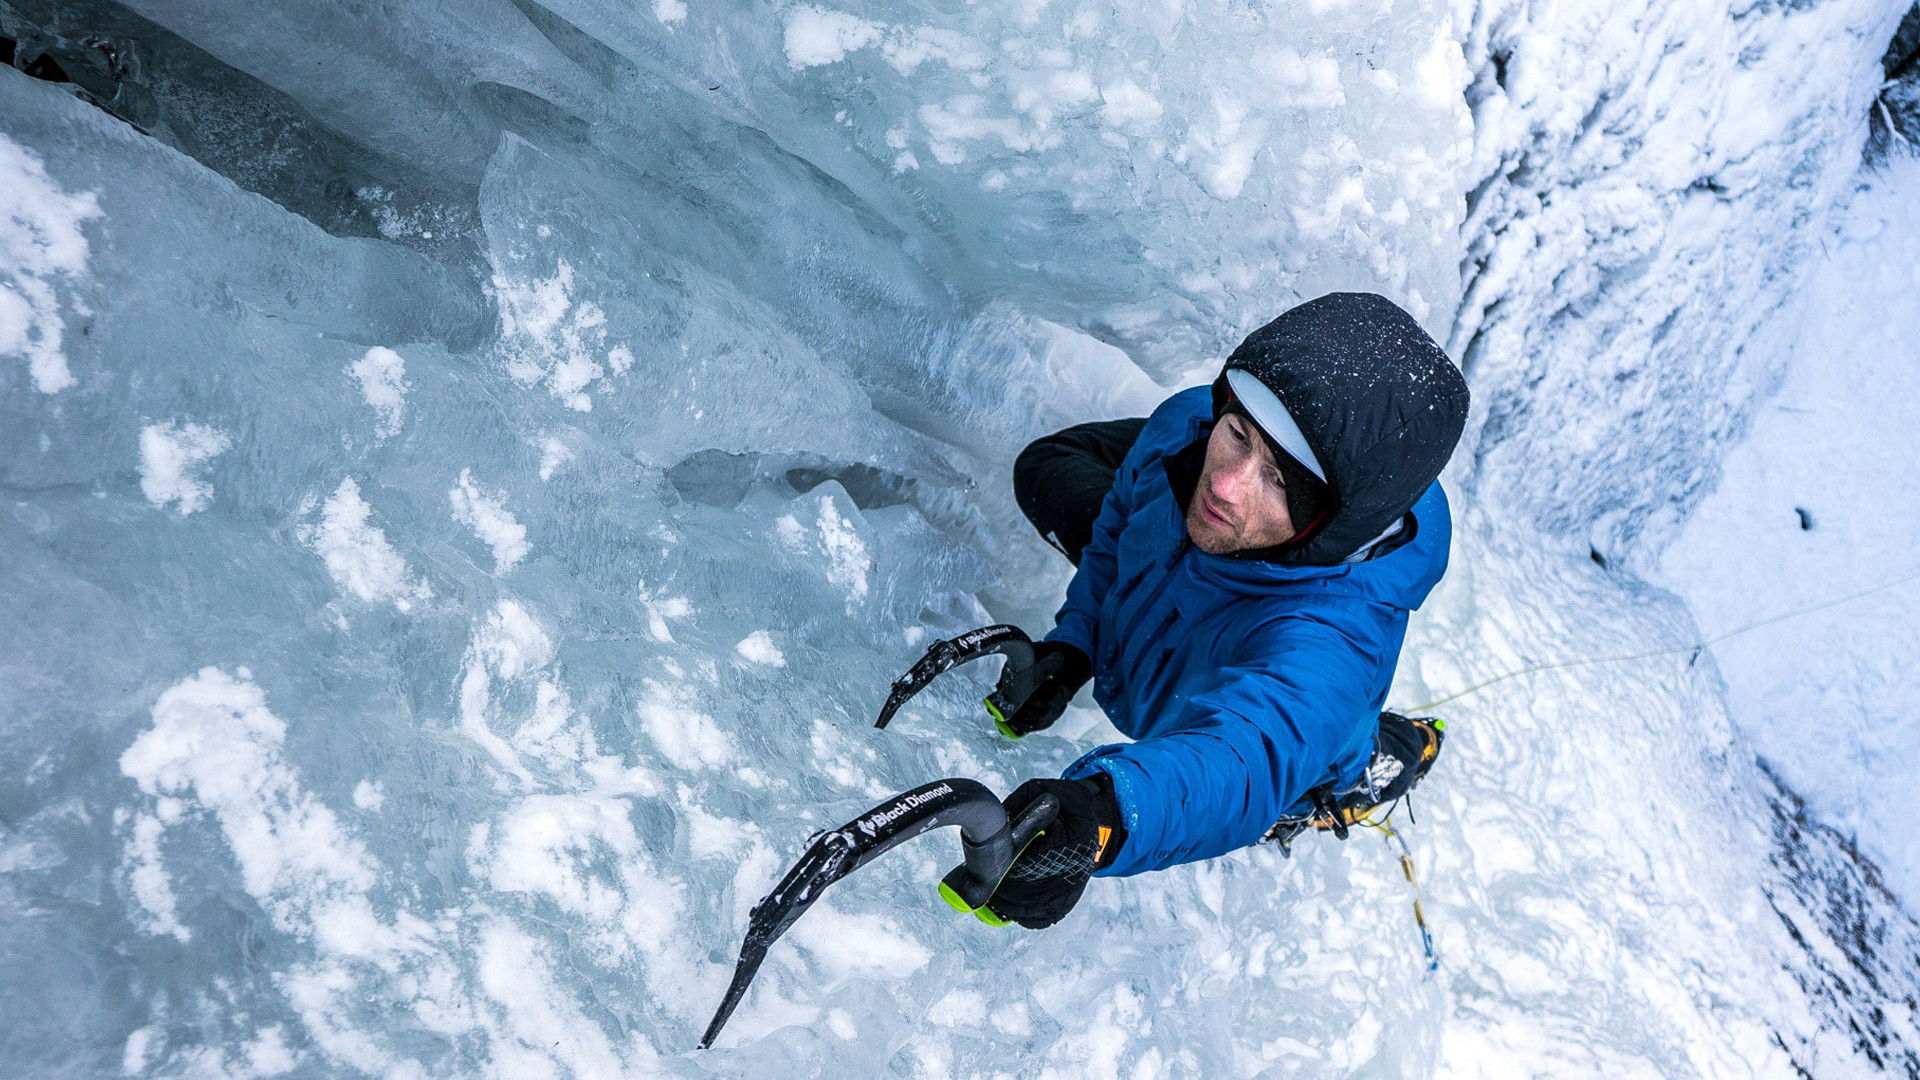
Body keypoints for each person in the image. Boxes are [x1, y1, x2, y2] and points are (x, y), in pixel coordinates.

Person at [978, 292, 1470, 930]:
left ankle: (1371, 765)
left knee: (1319, 755)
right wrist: (1076, 645)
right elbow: (1118, 528)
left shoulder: (1333, 639)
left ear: (1334, 520)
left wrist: (1104, 816)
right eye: (1238, 434)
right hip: (1183, 636)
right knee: (1064, 473)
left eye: (1278, 479)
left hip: (1299, 733)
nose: (1225, 483)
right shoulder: (1190, 427)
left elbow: (1246, 759)